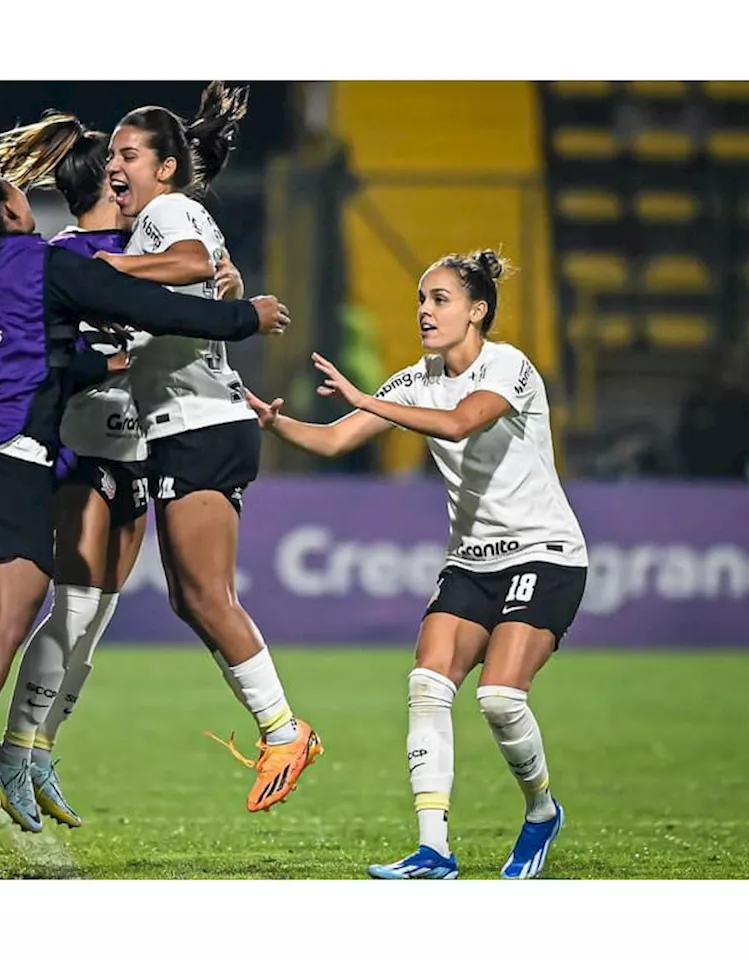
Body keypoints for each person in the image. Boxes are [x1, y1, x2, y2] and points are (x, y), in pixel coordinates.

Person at [0, 167, 290, 849]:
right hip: (4, 453)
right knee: (14, 606)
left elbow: (32, 357)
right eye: (23, 200)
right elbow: (153, 308)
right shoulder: (39, 261)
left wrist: (104, 366)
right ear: (11, 214)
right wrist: (243, 317)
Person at [247, 250, 587, 880]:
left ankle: (542, 810)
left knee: (501, 700)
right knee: (427, 686)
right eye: (421, 300)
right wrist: (277, 424)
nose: (425, 312)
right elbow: (333, 439)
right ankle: (434, 851)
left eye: (439, 300)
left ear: (477, 311)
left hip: (545, 553)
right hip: (471, 562)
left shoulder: (506, 366)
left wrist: (364, 400)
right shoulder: (414, 380)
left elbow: (460, 424)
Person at [96, 82, 322, 813]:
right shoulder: (155, 221)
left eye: (128, 155)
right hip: (195, 420)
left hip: (198, 425)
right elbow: (213, 284)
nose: (113, 168)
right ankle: (281, 730)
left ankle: (285, 731)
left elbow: (194, 262)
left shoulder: (166, 212)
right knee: (195, 600)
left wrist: (98, 275)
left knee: (205, 596)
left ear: (165, 168)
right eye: (110, 157)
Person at [0, 112, 151, 832]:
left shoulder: (147, 247)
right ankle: (14, 748)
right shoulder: (65, 257)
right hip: (83, 448)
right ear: (109, 182)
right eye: (121, 167)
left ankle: (41, 749)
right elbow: (56, 361)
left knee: (98, 617)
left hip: (139, 447)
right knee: (75, 606)